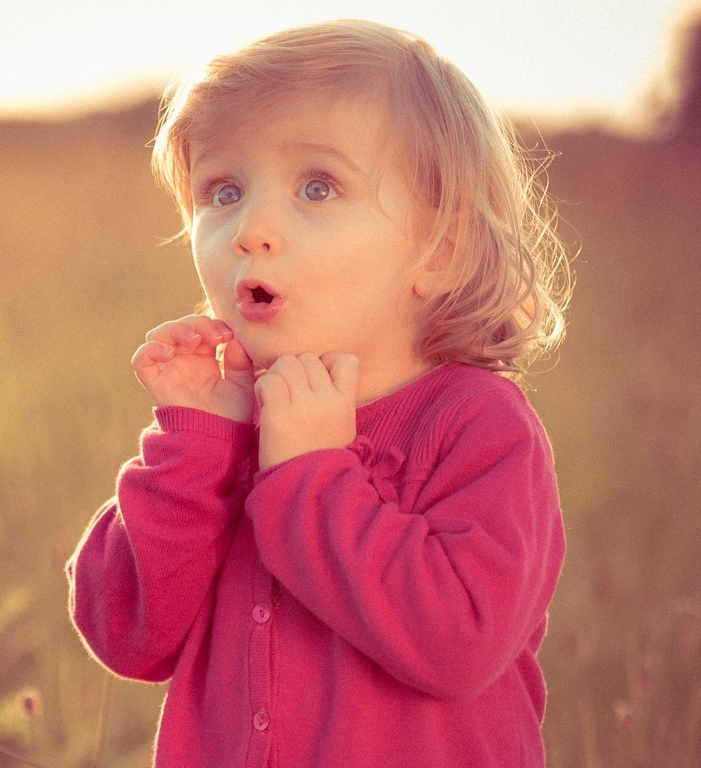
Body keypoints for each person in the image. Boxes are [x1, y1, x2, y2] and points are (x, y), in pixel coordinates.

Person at [66, 18, 573, 768]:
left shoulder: (478, 424)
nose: (251, 229)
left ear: (442, 248)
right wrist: (193, 447)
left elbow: (461, 642)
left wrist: (309, 478)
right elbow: (126, 634)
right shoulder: (229, 423)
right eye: (223, 190)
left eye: (318, 186)